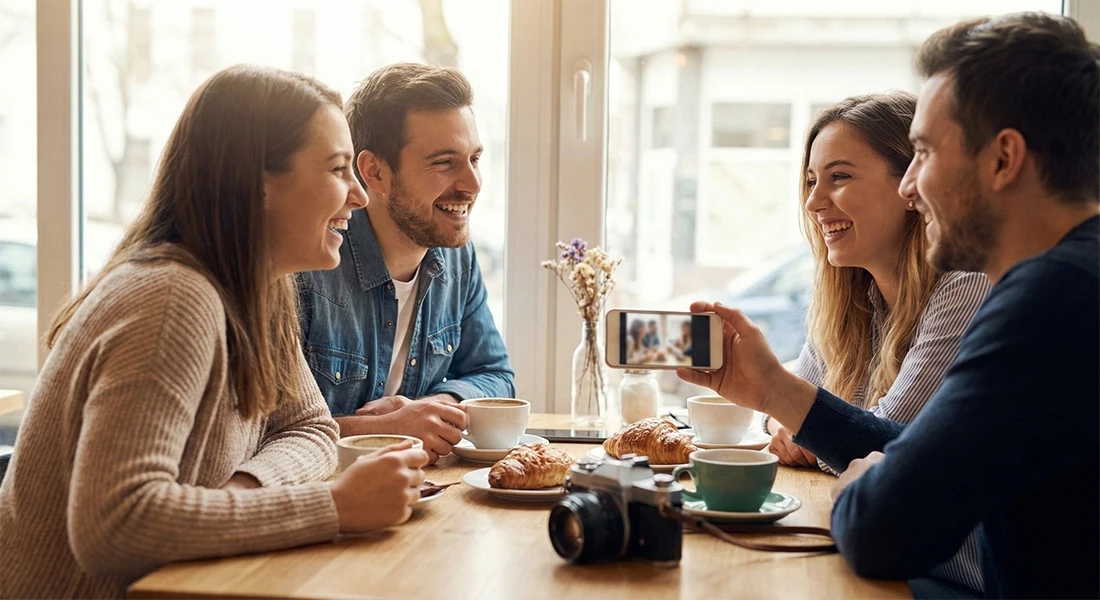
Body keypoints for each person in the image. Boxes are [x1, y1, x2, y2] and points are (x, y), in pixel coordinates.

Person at [679, 13, 1100, 599]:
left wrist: (875, 476)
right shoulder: (1068, 282)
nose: (909, 186)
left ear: (1003, 160)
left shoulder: (1049, 301)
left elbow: (885, 525)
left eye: (924, 153)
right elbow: (919, 465)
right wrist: (859, 453)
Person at [0, 65, 429, 599]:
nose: (359, 197)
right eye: (338, 169)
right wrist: (334, 506)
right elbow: (114, 526)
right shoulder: (172, 300)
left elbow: (313, 430)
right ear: (259, 183)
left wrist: (244, 494)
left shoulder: (259, 289)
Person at [763, 92, 989, 595]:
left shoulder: (965, 284)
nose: (814, 201)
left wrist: (809, 427)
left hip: (955, 577)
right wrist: (803, 423)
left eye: (839, 177)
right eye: (811, 181)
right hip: (891, 555)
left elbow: (890, 441)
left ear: (911, 184)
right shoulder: (854, 297)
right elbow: (796, 414)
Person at [298, 63, 514, 463]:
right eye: (445, 162)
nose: (473, 184)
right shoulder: (307, 264)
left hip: (416, 493)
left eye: (475, 159)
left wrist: (438, 405)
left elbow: (497, 376)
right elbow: (264, 429)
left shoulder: (457, 257)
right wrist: (382, 429)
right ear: (374, 172)